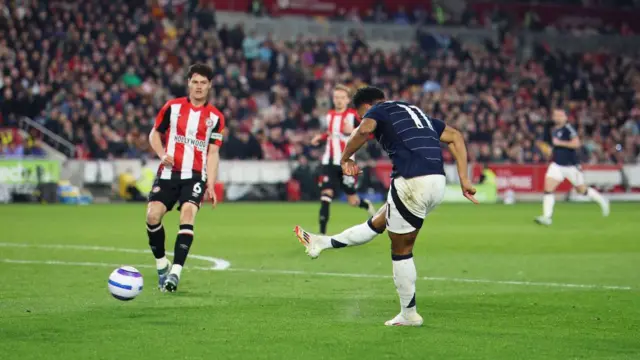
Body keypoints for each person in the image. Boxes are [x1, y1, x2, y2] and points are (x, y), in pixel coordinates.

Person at [294, 86, 477, 327]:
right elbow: (455, 136)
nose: (362, 121)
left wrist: (346, 157)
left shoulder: (378, 110)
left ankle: (409, 314)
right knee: (380, 220)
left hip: (412, 180)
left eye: (361, 115)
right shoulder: (414, 111)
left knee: (401, 249)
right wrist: (464, 179)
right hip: (437, 182)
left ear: (368, 107)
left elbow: (366, 129)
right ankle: (321, 243)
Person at [145, 64, 225, 293]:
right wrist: (162, 155)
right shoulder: (172, 107)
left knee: (188, 214)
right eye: (195, 82)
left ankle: (175, 273)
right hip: (169, 174)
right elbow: (154, 134)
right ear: (188, 83)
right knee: (152, 216)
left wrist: (211, 183)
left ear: (209, 86)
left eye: (203, 83)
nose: (199, 87)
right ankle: (162, 265)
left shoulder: (216, 118)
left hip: (195, 176)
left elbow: (212, 152)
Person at [310, 84, 376, 234]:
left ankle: (365, 205)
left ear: (347, 100)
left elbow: (370, 133)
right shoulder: (329, 115)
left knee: (352, 201)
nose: (338, 100)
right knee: (326, 195)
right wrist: (319, 138)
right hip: (328, 162)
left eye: (342, 98)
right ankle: (322, 235)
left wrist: (353, 130)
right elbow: (330, 133)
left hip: (346, 164)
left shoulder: (353, 115)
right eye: (336, 97)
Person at [534, 109, 609, 226]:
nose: (557, 117)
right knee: (548, 189)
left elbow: (576, 143)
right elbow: (553, 147)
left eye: (560, 115)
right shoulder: (555, 130)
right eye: (555, 115)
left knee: (582, 190)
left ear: (565, 118)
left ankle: (601, 200)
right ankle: (547, 217)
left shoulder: (569, 129)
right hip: (557, 165)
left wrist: (559, 143)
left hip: (571, 166)